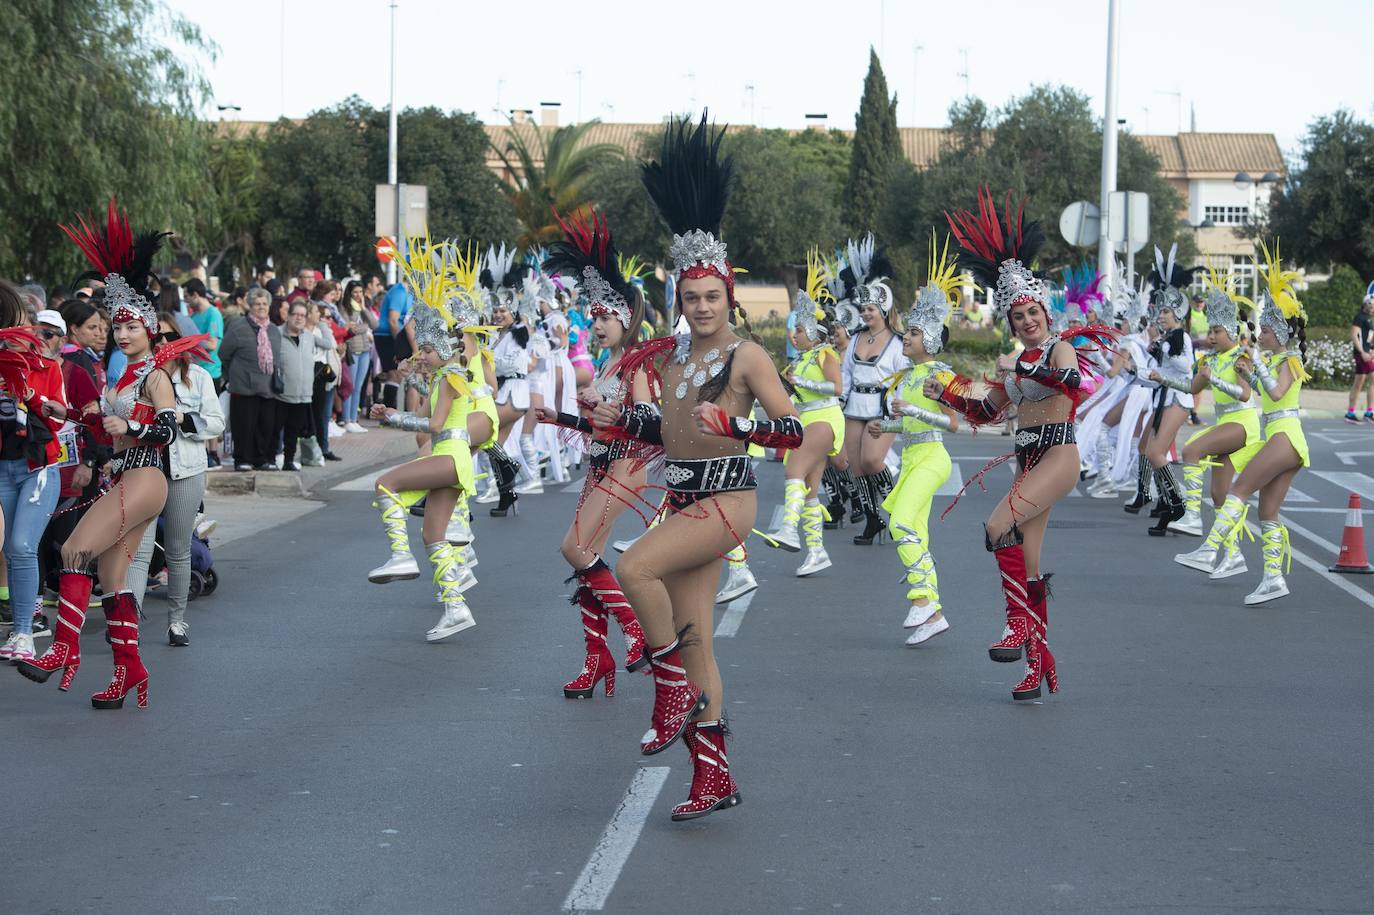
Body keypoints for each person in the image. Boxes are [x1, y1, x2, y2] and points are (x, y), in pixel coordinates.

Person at [606, 114, 803, 820]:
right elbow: (671, 432)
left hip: (728, 503)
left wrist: (740, 424)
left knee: (632, 569)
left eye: (711, 296)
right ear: (680, 301)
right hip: (684, 498)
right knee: (696, 644)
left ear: (729, 294)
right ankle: (713, 775)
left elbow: (793, 429)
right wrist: (619, 423)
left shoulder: (748, 355)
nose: (700, 307)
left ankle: (666, 689)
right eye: (690, 299)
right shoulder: (671, 357)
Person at [932, 187, 1116, 702]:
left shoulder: (1059, 346)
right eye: (1018, 317)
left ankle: (1016, 627)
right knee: (1029, 567)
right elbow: (986, 409)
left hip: (1058, 456)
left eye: (1033, 311)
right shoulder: (1019, 361)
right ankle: (1038, 664)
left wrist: (1025, 368)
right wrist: (946, 390)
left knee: (996, 526)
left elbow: (1069, 380)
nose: (1028, 321)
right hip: (1027, 461)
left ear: (1045, 310)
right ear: (1010, 322)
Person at [21, 200, 206, 709]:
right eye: (116, 326)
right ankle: (130, 673)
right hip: (125, 476)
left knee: (72, 551)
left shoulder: (156, 376)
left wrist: (131, 421)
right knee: (111, 577)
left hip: (146, 479)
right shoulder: (121, 376)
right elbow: (108, 425)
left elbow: (171, 429)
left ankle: (62, 648)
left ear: (149, 328)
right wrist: (64, 410)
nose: (121, 334)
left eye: (130, 326)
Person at [538, 211, 652, 697]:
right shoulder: (608, 362)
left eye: (605, 316)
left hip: (627, 467)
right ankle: (595, 658)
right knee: (585, 560)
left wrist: (605, 406)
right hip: (601, 468)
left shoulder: (637, 362)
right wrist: (559, 419)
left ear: (625, 317)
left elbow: (648, 419)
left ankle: (636, 629)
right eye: (595, 315)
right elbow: (597, 423)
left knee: (574, 549)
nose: (597, 323)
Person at [1177, 242, 1309, 604]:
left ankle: (1210, 549)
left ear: (1280, 334)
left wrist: (1257, 365)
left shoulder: (1290, 360)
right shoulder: (1280, 359)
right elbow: (1263, 393)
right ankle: (1273, 578)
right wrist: (1248, 374)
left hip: (1285, 435)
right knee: (1268, 511)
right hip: (1280, 434)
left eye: (1266, 331)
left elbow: (1279, 394)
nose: (1261, 335)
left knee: (1237, 491)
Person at [367, 237, 481, 642]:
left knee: (385, 484)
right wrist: (392, 412)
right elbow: (423, 411)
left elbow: (433, 427)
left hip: (450, 456)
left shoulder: (452, 375)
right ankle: (456, 607)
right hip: (453, 459)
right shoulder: (443, 377)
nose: (425, 351)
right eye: (425, 345)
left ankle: (399, 556)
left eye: (430, 347)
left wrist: (396, 417)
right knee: (434, 535)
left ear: (447, 347)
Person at [868, 236, 961, 646]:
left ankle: (921, 601)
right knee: (914, 533)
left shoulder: (941, 373)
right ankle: (932, 610)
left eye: (914, 333)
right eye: (907, 332)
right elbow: (907, 425)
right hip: (911, 458)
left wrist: (913, 412)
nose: (905, 337)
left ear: (933, 340)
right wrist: (884, 429)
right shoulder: (907, 376)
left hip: (932, 459)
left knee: (901, 521)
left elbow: (951, 424)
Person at [127, 314, 224, 645]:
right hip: (146, 471)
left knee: (178, 550)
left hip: (186, 471)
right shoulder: (140, 377)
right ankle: (129, 625)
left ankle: (177, 622)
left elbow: (216, 423)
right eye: (158, 338)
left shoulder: (196, 377)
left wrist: (181, 418)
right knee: (139, 551)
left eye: (171, 337)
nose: (164, 344)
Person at [760, 249, 844, 577]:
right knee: (810, 488)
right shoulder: (799, 360)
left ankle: (789, 529)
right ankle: (817, 552)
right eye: (795, 330)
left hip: (826, 418)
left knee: (794, 467)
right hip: (806, 418)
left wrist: (802, 380)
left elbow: (836, 388)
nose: (793, 335)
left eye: (798, 331)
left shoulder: (825, 354)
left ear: (812, 331)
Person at [1170, 264, 1259, 571]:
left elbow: (1245, 394)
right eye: (1209, 330)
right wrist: (1159, 377)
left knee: (1192, 449)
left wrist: (1216, 380)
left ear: (1232, 332)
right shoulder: (1210, 357)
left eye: (1217, 330)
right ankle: (1233, 555)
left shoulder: (1241, 356)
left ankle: (1193, 517)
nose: (1211, 335)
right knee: (1219, 493)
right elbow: (1191, 387)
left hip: (1243, 423)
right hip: (1227, 423)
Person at [0, 289, 67, 663]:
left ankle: (25, 632)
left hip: (39, 469)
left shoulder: (47, 368)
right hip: (3, 469)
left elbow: (60, 417)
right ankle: (19, 630)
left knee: (24, 546)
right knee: (10, 550)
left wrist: (32, 399)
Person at [838, 235, 908, 545]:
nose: (866, 313)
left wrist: (895, 411)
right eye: (863, 309)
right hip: (854, 408)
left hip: (886, 411)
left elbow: (903, 380)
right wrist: (839, 400)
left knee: (872, 462)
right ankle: (873, 518)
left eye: (871, 309)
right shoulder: (855, 339)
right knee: (855, 466)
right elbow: (846, 373)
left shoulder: (897, 343)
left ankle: (897, 505)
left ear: (884, 308)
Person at [1137, 245, 1198, 536]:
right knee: (1149, 450)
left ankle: (1176, 503)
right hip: (1164, 397)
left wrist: (1164, 353)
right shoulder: (1166, 337)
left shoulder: (1181, 337)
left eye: (1164, 310)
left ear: (1176, 312)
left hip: (1178, 398)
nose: (1159, 315)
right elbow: (1160, 374)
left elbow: (1187, 368)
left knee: (1156, 452)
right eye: (1159, 310)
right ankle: (1168, 500)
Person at [219, 287, 283, 471]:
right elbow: (224, 353)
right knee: (244, 426)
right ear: (250, 306)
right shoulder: (238, 326)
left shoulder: (273, 330)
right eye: (257, 304)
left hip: (268, 386)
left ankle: (262, 459)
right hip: (243, 386)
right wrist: (234, 374)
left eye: (264, 304)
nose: (261, 307)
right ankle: (243, 459)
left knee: (265, 426)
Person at [274, 301, 317, 469]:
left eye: (302, 315)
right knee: (274, 430)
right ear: (288, 316)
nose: (299, 318)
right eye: (295, 314)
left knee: (293, 431)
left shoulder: (309, 337)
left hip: (303, 394)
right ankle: (270, 459)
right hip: (281, 393)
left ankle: (288, 461)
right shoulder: (277, 334)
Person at [338, 279, 377, 432]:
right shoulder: (344, 307)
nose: (358, 295)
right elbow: (350, 330)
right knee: (350, 385)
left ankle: (354, 419)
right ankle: (346, 419)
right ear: (349, 293)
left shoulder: (363, 306)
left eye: (360, 292)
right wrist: (364, 326)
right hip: (352, 350)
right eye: (355, 292)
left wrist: (364, 309)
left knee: (358, 387)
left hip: (365, 351)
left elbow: (375, 325)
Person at [1347, 293, 1374, 424]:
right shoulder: (1360, 317)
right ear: (1364, 304)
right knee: (1371, 379)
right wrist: (1362, 352)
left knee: (1358, 383)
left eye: (1373, 305)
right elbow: (1354, 335)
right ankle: (1369, 412)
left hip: (1366, 354)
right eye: (1369, 303)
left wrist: (1371, 350)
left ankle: (1351, 412)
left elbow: (1368, 338)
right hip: (1361, 355)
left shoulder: (1369, 319)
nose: (1372, 306)